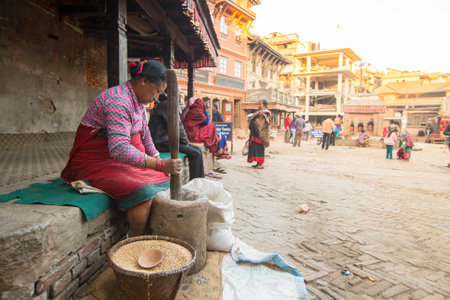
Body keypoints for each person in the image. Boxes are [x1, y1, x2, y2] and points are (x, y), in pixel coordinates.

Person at [61, 60, 182, 237]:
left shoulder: (139, 102)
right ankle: (135, 241)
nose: (157, 98)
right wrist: (161, 165)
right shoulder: (118, 100)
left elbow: (145, 134)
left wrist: (159, 159)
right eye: (157, 91)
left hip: (115, 160)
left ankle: (149, 231)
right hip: (94, 160)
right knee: (143, 191)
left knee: (163, 179)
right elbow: (119, 149)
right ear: (143, 82)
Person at [149, 92, 204, 180]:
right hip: (162, 143)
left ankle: (201, 180)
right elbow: (177, 126)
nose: (180, 97)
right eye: (179, 94)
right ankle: (195, 181)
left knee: (198, 150)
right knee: (195, 154)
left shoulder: (165, 104)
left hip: (166, 140)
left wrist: (185, 142)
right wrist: (185, 142)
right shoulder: (167, 105)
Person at [247, 100, 271, 169]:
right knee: (255, 148)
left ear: (264, 105)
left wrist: (256, 118)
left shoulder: (266, 113)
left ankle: (260, 163)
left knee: (260, 148)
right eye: (258, 104)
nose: (259, 106)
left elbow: (264, 123)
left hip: (261, 133)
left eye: (260, 104)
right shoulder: (258, 113)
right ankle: (257, 163)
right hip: (255, 133)